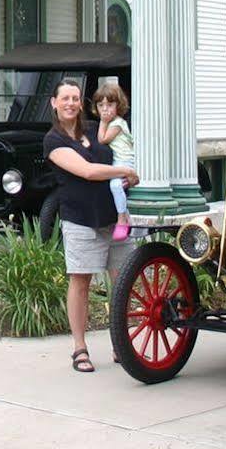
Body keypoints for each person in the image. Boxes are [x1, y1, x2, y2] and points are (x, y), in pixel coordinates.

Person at [41, 77, 138, 373]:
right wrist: (124, 170)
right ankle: (79, 348)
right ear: (54, 103)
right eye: (65, 98)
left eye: (75, 98)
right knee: (80, 282)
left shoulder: (98, 130)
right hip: (80, 220)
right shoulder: (54, 140)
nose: (71, 103)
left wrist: (132, 175)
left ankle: (120, 345)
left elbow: (124, 150)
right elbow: (86, 171)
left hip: (115, 219)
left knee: (122, 282)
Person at [93, 82, 135, 240]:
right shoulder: (111, 123)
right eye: (100, 105)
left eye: (109, 104)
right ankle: (125, 215)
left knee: (115, 185)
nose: (105, 109)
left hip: (124, 162)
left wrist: (103, 122)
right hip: (118, 162)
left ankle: (122, 218)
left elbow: (102, 139)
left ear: (119, 105)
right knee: (116, 188)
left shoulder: (117, 123)